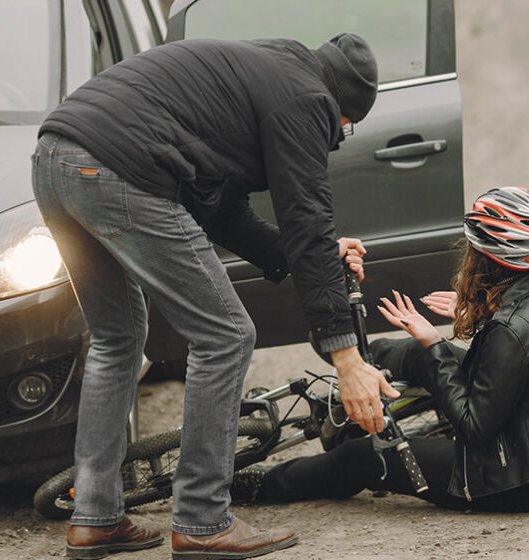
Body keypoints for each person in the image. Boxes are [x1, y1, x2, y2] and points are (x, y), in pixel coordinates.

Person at [31, 33, 399, 559]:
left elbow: (223, 210)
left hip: (55, 161)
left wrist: (309, 257)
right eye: (345, 127)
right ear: (341, 107)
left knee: (117, 337)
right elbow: (308, 219)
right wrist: (346, 357)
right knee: (225, 335)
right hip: (118, 168)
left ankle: (95, 517)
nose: (339, 135)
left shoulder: (265, 72)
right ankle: (203, 520)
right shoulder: (307, 99)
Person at [232, 186, 529, 513]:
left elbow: (473, 427)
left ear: (487, 258)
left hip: (528, 481)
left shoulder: (509, 332)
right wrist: (480, 313)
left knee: (361, 457)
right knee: (420, 356)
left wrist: (435, 341)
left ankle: (254, 487)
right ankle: (355, 361)